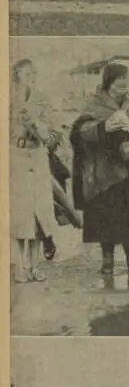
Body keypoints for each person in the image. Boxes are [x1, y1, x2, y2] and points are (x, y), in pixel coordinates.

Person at [70, 62, 129, 278]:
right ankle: (107, 260)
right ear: (108, 84)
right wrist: (103, 128)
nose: (122, 91)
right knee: (105, 218)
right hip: (103, 171)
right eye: (117, 88)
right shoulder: (94, 103)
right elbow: (79, 133)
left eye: (125, 86)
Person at [10, 59, 58, 283]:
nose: (31, 76)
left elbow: (51, 135)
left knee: (39, 212)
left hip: (37, 156)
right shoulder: (9, 99)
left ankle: (34, 266)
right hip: (16, 156)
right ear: (17, 75)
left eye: (33, 72)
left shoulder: (42, 100)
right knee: (20, 214)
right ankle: (20, 267)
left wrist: (37, 123)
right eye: (25, 73)